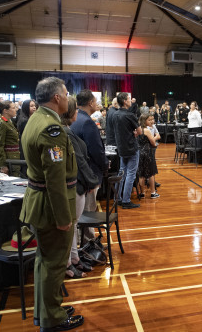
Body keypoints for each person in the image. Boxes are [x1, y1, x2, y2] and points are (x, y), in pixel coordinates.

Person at [19, 77, 84, 331]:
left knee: (44, 260)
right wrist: (64, 218)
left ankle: (45, 309)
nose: (69, 98)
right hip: (52, 205)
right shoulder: (51, 129)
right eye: (66, 93)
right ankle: (53, 318)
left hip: (39, 202)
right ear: (57, 98)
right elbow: (55, 179)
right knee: (55, 264)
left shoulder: (38, 119)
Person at [61, 97, 99, 279]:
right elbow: (79, 161)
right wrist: (92, 182)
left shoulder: (68, 130)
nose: (77, 112)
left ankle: (74, 259)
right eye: (75, 109)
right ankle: (68, 263)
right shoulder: (65, 133)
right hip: (75, 185)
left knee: (73, 226)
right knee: (71, 227)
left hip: (78, 184)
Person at [71, 90, 109, 239]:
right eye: (95, 101)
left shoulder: (76, 118)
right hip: (89, 174)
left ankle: (85, 241)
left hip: (79, 172)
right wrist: (105, 165)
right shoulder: (87, 121)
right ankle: (89, 245)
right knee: (88, 210)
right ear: (90, 103)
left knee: (83, 211)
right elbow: (96, 151)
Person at [114, 92, 142, 209]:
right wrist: (134, 134)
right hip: (131, 147)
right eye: (129, 99)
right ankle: (126, 200)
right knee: (131, 174)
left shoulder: (115, 114)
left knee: (122, 172)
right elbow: (140, 132)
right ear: (125, 101)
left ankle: (118, 198)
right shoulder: (130, 115)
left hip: (121, 147)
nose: (131, 101)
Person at [0, 101, 20, 176]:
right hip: (8, 159)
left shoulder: (8, 122)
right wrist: (2, 165)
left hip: (14, 157)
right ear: (5, 111)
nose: (16, 109)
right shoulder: (1, 123)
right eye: (13, 108)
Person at [138, 113, 160, 199]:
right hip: (148, 152)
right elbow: (153, 143)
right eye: (149, 120)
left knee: (141, 174)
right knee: (151, 173)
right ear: (144, 121)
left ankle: (142, 193)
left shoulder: (138, 129)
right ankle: (153, 192)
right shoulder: (146, 130)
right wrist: (156, 137)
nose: (151, 121)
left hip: (140, 153)